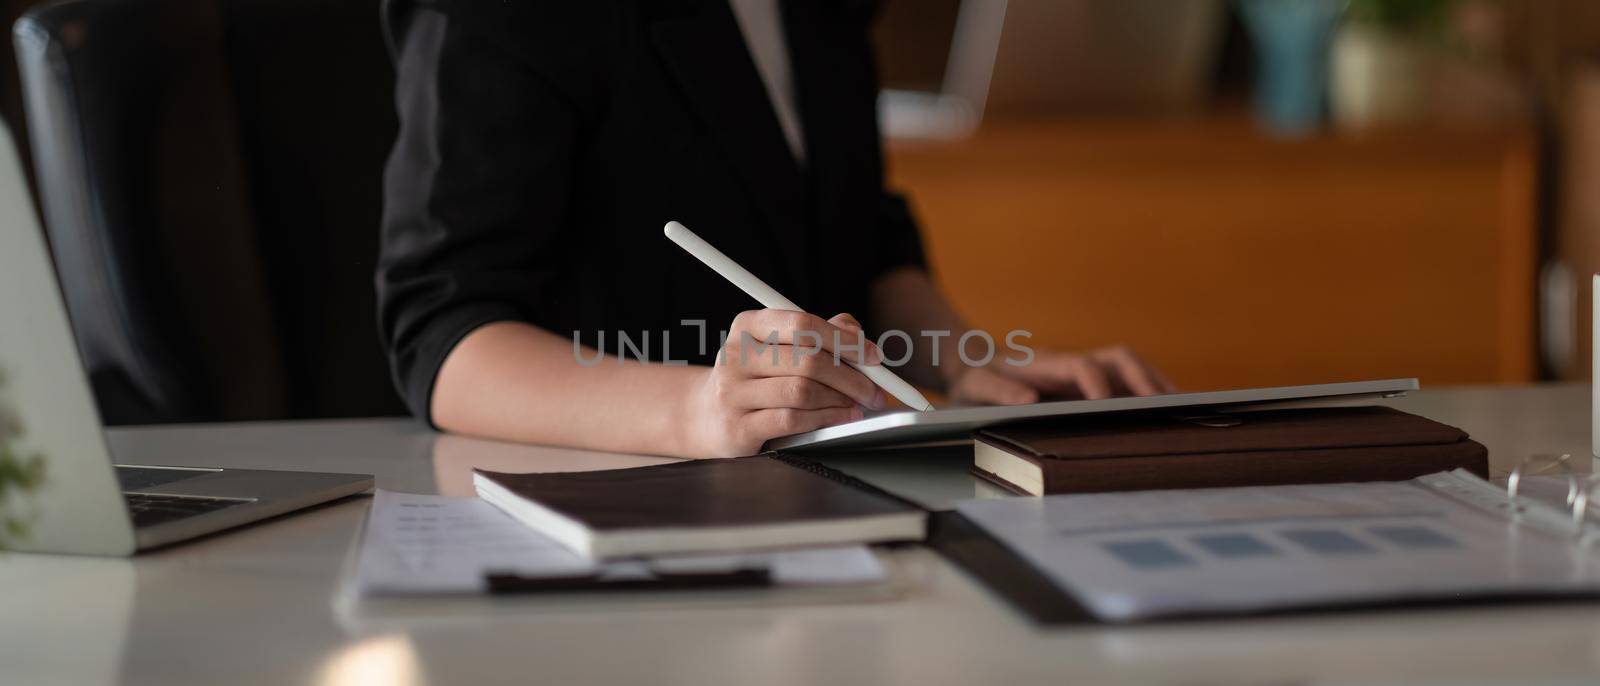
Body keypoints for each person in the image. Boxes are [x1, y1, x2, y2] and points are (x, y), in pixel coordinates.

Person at [378, 0, 1172, 458]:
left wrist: (972, 366)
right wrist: (699, 409)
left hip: (815, 495)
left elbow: (862, 235)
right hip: (605, 516)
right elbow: (444, 337)